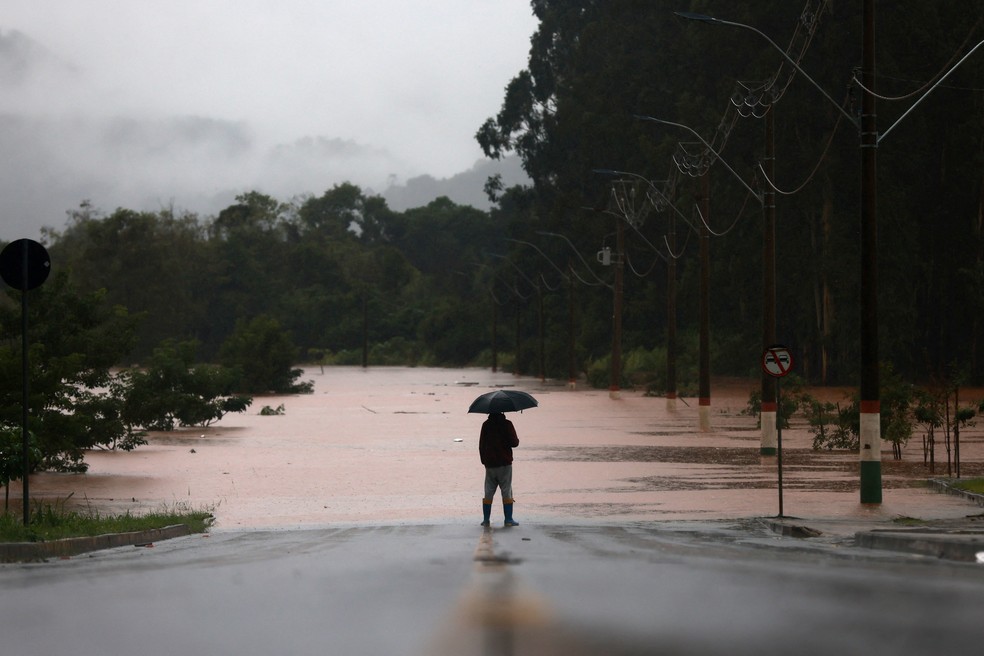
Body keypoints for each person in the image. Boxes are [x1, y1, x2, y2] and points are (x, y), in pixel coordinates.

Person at [479, 411, 520, 527]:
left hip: (490, 464)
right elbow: (514, 443)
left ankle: (486, 519)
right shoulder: (507, 424)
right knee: (506, 490)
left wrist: (484, 461)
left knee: (488, 490)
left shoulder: (486, 425)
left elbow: (481, 444)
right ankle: (508, 519)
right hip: (504, 463)